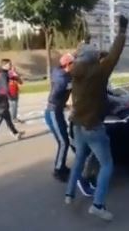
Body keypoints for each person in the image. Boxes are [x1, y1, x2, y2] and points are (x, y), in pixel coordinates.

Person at [65, 15, 129, 221]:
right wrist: (122, 31)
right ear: (95, 59)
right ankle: (98, 205)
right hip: (93, 126)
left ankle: (69, 194)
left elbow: (90, 55)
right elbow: (114, 54)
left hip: (77, 123)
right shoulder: (99, 72)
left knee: (80, 158)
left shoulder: (76, 72)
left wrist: (89, 48)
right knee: (107, 165)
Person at [44, 53, 75, 182]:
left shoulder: (61, 73)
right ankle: (58, 170)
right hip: (53, 112)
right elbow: (55, 97)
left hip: (56, 110)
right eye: (74, 63)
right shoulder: (63, 78)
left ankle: (61, 166)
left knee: (63, 141)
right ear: (67, 65)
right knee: (63, 142)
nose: (76, 65)